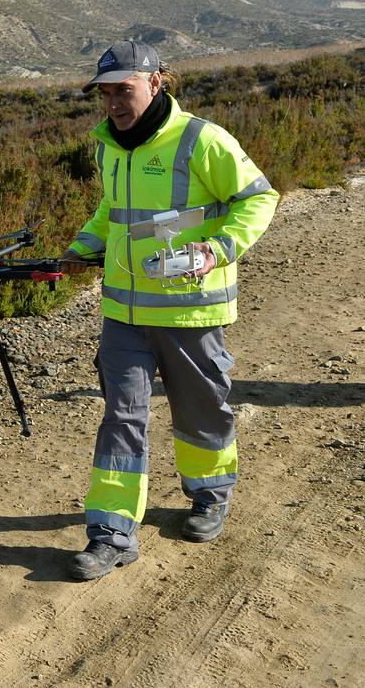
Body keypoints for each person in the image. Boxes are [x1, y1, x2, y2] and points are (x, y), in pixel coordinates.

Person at [60, 40, 278, 579]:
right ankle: (112, 533)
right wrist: (84, 246)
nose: (113, 102)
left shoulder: (202, 139)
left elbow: (258, 197)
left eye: (124, 89)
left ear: (156, 82)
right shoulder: (108, 147)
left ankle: (210, 495)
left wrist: (217, 249)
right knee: (121, 418)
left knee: (200, 410)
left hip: (190, 314)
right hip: (124, 316)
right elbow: (114, 211)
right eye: (105, 93)